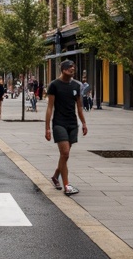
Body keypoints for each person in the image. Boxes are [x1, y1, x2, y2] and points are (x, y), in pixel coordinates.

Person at [45, 60, 87, 196]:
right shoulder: (54, 85)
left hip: (72, 123)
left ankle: (55, 176)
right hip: (59, 123)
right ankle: (67, 186)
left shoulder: (76, 85)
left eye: (73, 67)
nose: (72, 69)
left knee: (64, 155)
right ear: (62, 69)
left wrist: (84, 123)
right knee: (65, 153)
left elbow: (79, 107)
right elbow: (50, 107)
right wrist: (47, 128)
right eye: (69, 67)